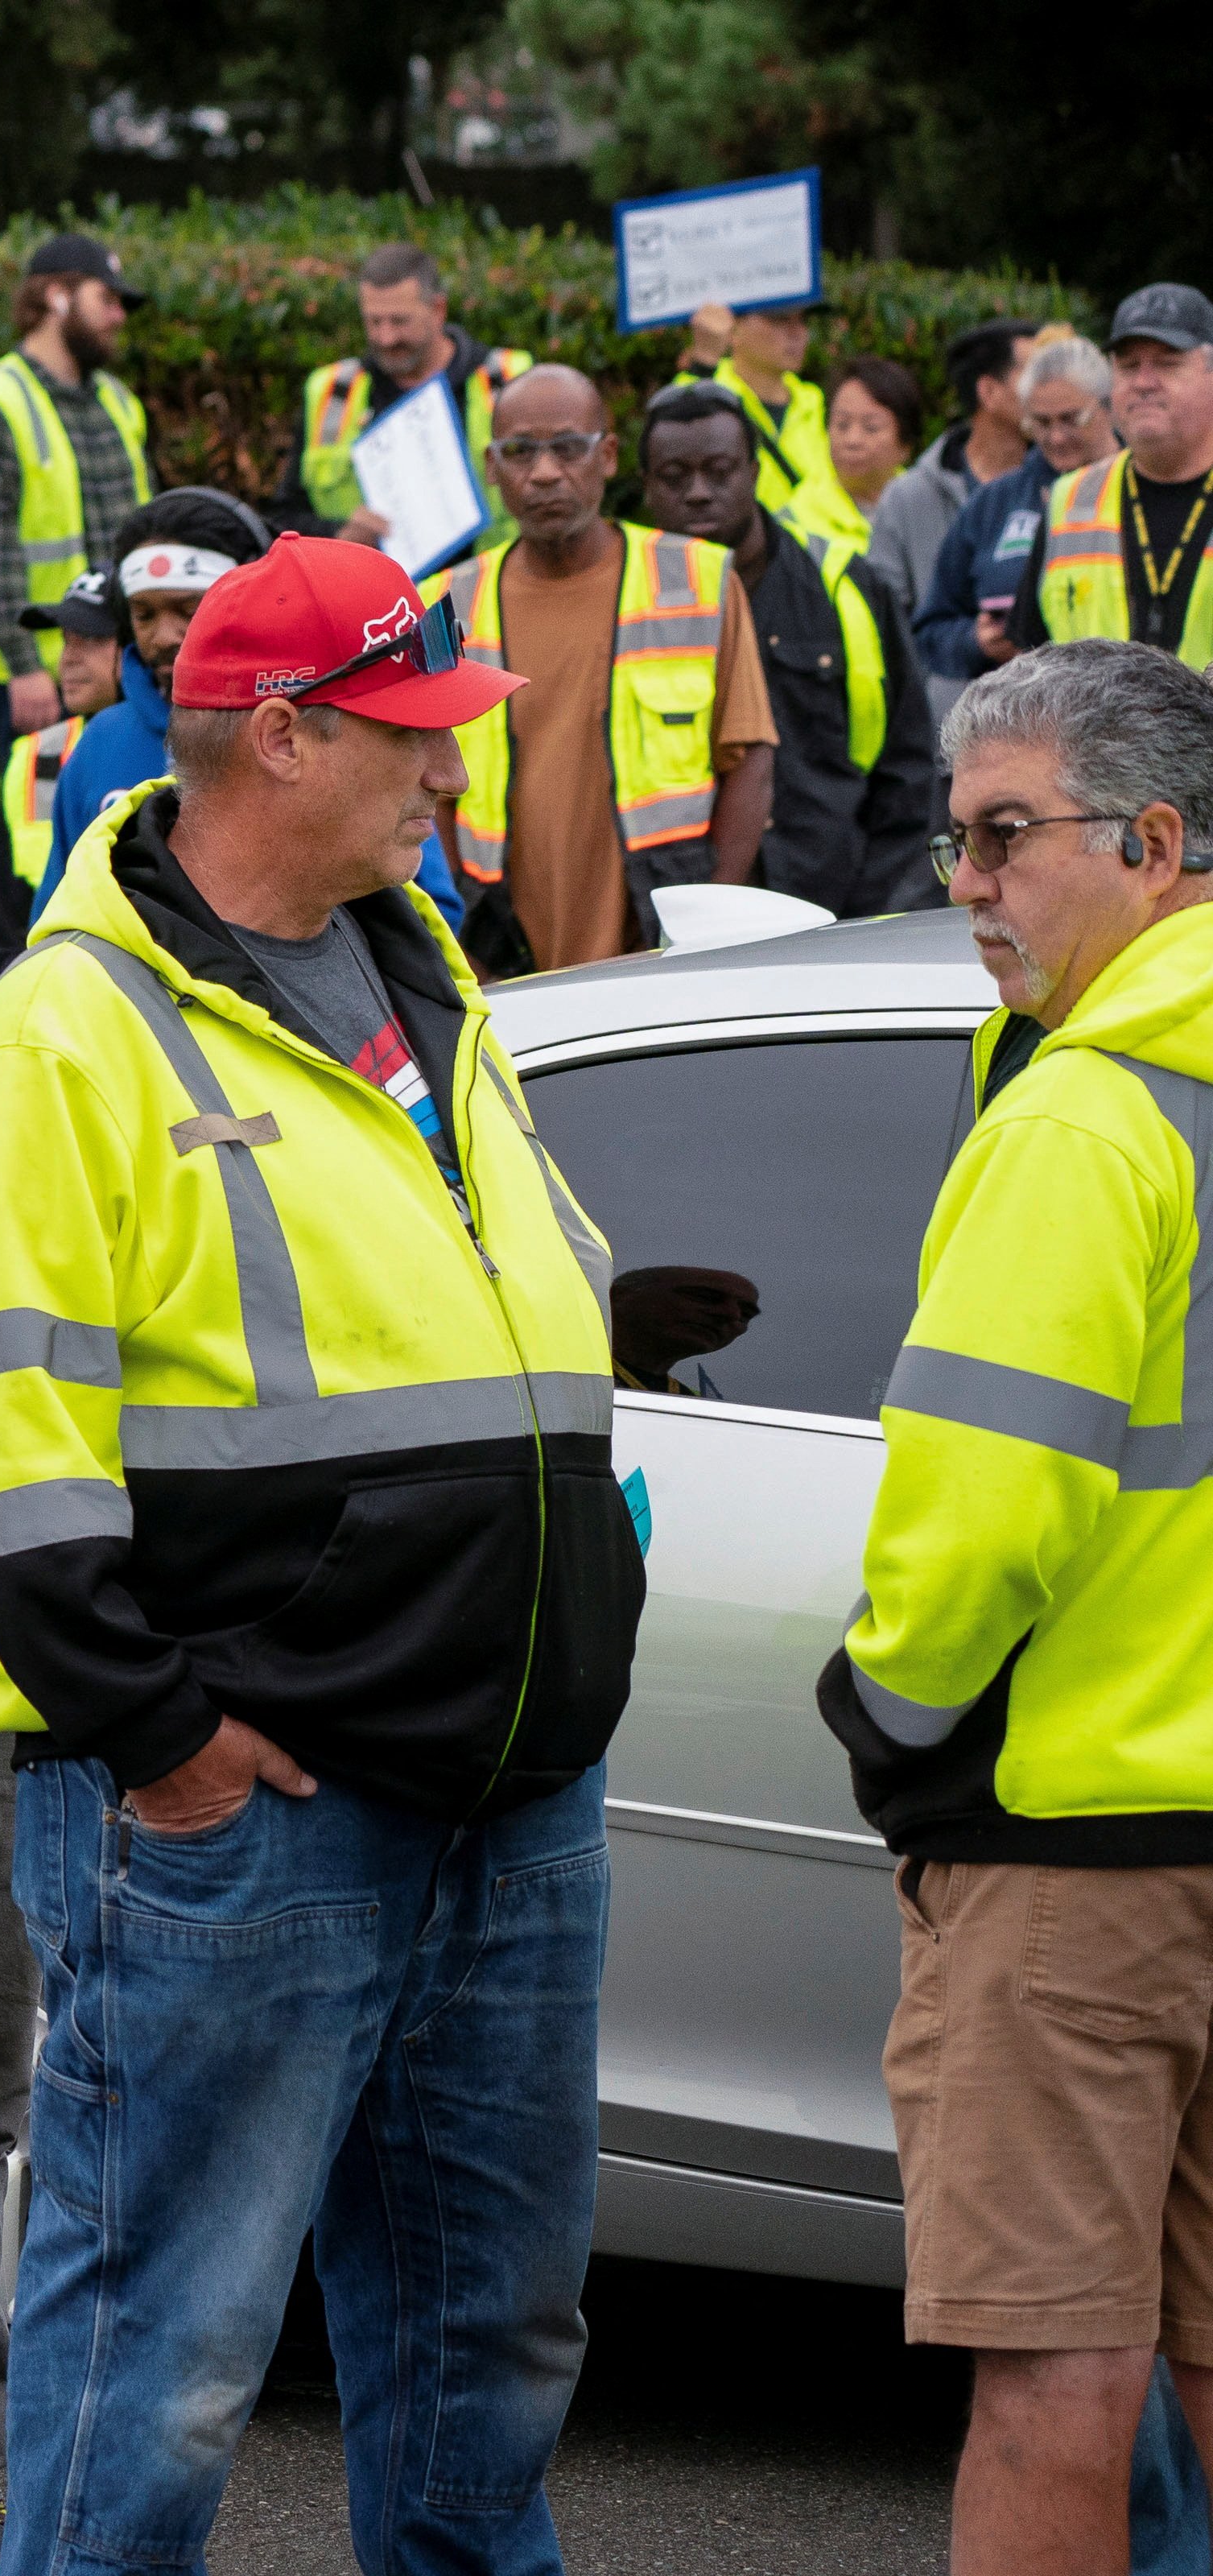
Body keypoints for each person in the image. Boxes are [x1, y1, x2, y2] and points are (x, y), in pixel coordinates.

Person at [0, 533, 639, 2576]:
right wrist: (161, 1739)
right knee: (163, 2350)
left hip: (491, 1785)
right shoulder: (63, 1038)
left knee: (485, 2335)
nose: (446, 775)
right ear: (277, 736)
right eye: (409, 739)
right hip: (244, 1810)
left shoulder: (427, 972)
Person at [823, 639, 1213, 2576]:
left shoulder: (1084, 1120)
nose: (964, 887)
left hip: (1074, 1856)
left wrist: (883, 1713)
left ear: (1150, 843)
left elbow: (978, 1518)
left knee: (1054, 2378)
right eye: (951, 842)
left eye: (1000, 840)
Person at [425, 364, 777, 973]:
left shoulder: (699, 579)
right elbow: (426, 787)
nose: (544, 473)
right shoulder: (446, 605)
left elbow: (750, 760)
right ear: (491, 467)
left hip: (665, 944)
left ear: (608, 456)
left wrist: (707, 929)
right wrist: (462, 942)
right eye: (519, 452)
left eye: (567, 448)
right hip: (499, 948)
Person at [641, 382, 940, 915]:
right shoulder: (628, 604)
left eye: (720, 470)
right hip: (680, 912)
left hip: (836, 903)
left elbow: (909, 765)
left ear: (755, 472)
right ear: (644, 487)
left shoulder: (845, 586)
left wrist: (871, 909)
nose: (699, 492)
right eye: (673, 478)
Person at [0, 234, 151, 750]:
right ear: (57, 297)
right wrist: (23, 666)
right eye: (105, 300)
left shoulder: (118, 401)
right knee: (34, 824)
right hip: (42, 672)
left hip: (119, 662)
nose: (118, 316)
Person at [38, 488, 273, 909]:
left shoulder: (305, 733)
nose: (164, 637)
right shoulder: (100, 744)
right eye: (144, 615)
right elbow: (57, 915)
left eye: (188, 610)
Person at [274, 243, 534, 549]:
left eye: (399, 321)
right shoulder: (332, 392)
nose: (386, 337)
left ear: (438, 310)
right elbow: (284, 516)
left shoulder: (508, 379)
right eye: (374, 322)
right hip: (370, 589)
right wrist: (339, 534)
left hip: (484, 586)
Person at [1011, 286, 1213, 671]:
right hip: (1095, 733)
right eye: (1128, 365)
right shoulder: (1067, 501)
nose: (1143, 381)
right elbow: (1030, 666)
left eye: (1167, 363)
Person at [930, 335, 1117, 696]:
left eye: (1071, 419)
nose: (1057, 438)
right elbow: (930, 629)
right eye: (1041, 424)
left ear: (1108, 406)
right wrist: (975, 641)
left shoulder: (1144, 490)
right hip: (1026, 721)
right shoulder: (994, 503)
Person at [876, 320, 1042, 726]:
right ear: (988, 392)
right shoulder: (909, 495)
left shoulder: (1068, 484)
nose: (1048, 384)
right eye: (1034, 372)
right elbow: (887, 625)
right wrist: (972, 641)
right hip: (946, 735)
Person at [0, 573, 121, 963]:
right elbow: (8, 924)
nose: (67, 659)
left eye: (90, 641)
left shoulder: (185, 747)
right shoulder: (39, 753)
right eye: (66, 641)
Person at [679, 295, 868, 539]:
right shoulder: (704, 394)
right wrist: (703, 364)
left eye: (802, 321)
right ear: (734, 329)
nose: (798, 333)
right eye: (779, 321)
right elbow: (677, 427)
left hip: (814, 565)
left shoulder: (820, 405)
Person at [829, 359, 927, 554]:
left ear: (905, 445)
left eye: (871, 428)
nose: (853, 440)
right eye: (842, 425)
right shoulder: (793, 519)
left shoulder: (928, 508)